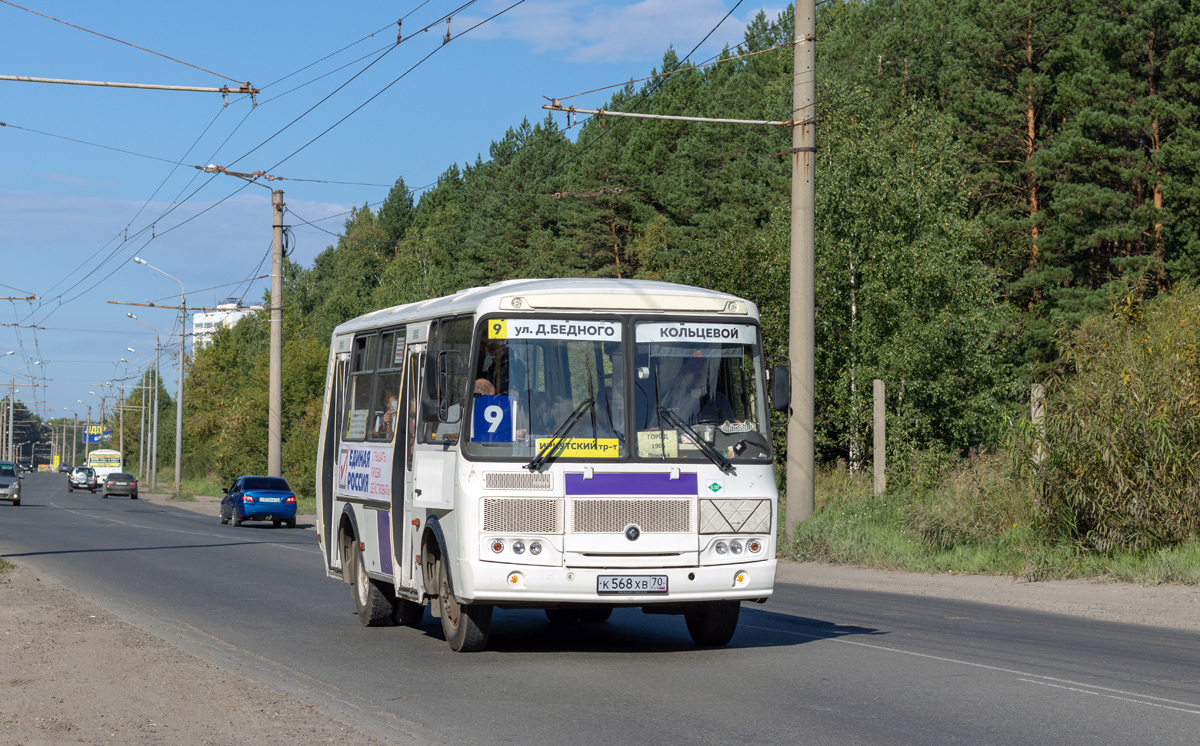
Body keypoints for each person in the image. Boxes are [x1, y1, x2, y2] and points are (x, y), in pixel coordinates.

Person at [664, 351, 736, 425]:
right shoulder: (671, 400)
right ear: (683, 370)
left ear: (707, 371)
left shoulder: (719, 400)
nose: (698, 372)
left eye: (701, 367)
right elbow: (659, 427)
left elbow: (731, 427)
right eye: (693, 367)